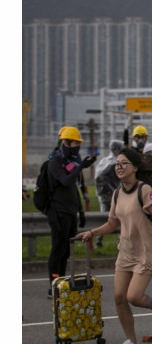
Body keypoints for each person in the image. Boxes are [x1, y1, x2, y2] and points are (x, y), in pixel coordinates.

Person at [76, 148, 152, 344]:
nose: (119, 167)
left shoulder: (145, 191)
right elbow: (111, 224)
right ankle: (131, 342)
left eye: (124, 163)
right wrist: (92, 232)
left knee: (134, 296)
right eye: (117, 163)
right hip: (126, 251)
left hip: (146, 251)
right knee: (119, 297)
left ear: (135, 167)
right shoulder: (117, 193)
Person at [46, 127, 97, 297]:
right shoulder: (54, 162)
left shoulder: (72, 163)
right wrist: (80, 167)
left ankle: (61, 283)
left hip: (70, 212)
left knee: (66, 251)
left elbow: (74, 188)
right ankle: (53, 285)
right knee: (57, 250)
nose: (77, 147)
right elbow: (66, 181)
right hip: (57, 212)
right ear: (66, 143)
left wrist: (80, 211)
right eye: (75, 143)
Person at [93, 139, 124, 247]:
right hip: (113, 194)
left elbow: (97, 177)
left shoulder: (103, 161)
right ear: (116, 149)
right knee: (121, 217)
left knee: (104, 216)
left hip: (103, 194)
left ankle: (99, 239)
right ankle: (120, 239)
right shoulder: (115, 162)